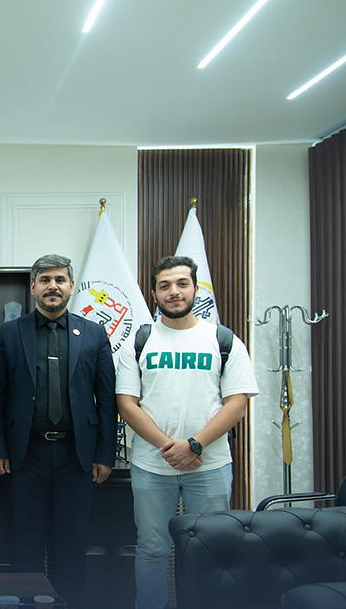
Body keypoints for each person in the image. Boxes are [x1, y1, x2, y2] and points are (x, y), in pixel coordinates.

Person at [116, 255, 258, 609]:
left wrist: (195, 445)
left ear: (196, 289)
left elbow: (237, 403)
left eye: (182, 284)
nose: (174, 292)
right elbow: (127, 404)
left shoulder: (223, 340)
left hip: (209, 466)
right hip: (151, 466)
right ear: (154, 294)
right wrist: (171, 447)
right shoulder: (140, 341)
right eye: (164, 286)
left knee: (211, 548)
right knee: (152, 548)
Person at [0, 253, 116, 608]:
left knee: (71, 546)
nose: (52, 286)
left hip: (77, 456)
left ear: (71, 286)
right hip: (26, 457)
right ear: (33, 287)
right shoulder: (9, 333)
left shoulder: (94, 334)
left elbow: (106, 399)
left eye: (59, 280)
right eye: (44, 280)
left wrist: (104, 454)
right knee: (25, 545)